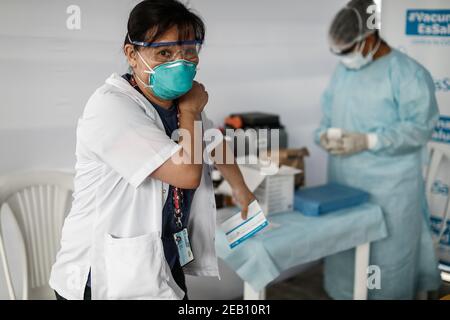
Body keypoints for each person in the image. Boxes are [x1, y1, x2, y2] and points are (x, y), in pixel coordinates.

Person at [49, 0, 255, 300]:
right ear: (132, 54)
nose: (180, 63)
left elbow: (213, 142)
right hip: (103, 278)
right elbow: (186, 173)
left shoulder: (178, 103)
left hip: (162, 262)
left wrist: (241, 189)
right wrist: (192, 113)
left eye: (189, 52)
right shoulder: (110, 107)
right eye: (164, 53)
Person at [316, 0, 442, 299]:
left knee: (386, 261)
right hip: (344, 185)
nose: (344, 58)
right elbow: (328, 113)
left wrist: (369, 141)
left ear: (368, 39)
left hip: (390, 190)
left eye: (347, 50)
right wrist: (323, 135)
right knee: (346, 253)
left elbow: (419, 128)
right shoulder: (344, 71)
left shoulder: (408, 73)